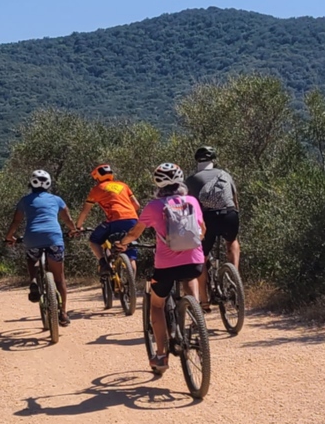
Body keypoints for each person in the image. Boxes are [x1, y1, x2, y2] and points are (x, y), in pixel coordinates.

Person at [119, 163, 207, 371]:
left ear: (157, 183)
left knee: (157, 305)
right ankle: (195, 315)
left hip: (166, 266)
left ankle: (161, 356)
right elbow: (202, 230)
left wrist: (123, 243)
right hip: (195, 262)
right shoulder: (192, 201)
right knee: (190, 276)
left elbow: (135, 233)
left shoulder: (153, 206)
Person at [4, 169, 79, 324]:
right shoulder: (57, 199)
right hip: (54, 238)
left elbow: (16, 221)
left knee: (32, 259)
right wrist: (73, 230)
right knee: (59, 279)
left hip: (32, 238)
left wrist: (9, 237)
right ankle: (63, 314)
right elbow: (67, 219)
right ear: (49, 183)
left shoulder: (25, 200)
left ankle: (33, 281)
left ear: (31, 183)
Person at [186, 145, 240, 303]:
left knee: (200, 257)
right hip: (229, 215)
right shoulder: (225, 174)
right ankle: (235, 278)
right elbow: (235, 199)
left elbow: (189, 206)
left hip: (207, 219)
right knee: (232, 242)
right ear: (213, 160)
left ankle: (203, 301)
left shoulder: (191, 180)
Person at [76, 164, 142, 270]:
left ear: (97, 177)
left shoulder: (97, 189)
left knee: (94, 240)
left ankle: (103, 263)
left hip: (114, 220)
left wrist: (78, 227)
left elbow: (85, 211)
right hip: (133, 220)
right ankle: (131, 285)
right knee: (130, 254)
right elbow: (137, 206)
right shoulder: (123, 185)